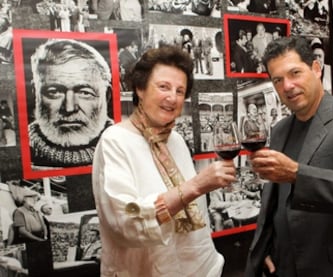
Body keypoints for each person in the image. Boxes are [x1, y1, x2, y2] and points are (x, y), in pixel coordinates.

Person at [245, 36, 333, 277]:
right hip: (286, 266)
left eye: (295, 73)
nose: (287, 86)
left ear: (316, 69)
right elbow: (275, 202)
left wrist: (297, 174)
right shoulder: (279, 130)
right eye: (278, 80)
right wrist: (267, 247)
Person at [92, 45, 236, 276]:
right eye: (163, 87)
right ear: (140, 88)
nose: (172, 97)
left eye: (180, 91)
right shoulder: (115, 141)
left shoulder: (176, 140)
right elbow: (125, 221)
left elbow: (196, 221)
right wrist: (197, 185)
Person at [29, 38, 114, 168]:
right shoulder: (19, 151)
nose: (69, 108)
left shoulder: (125, 145)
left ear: (107, 95)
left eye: (85, 93)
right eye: (54, 92)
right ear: (36, 94)